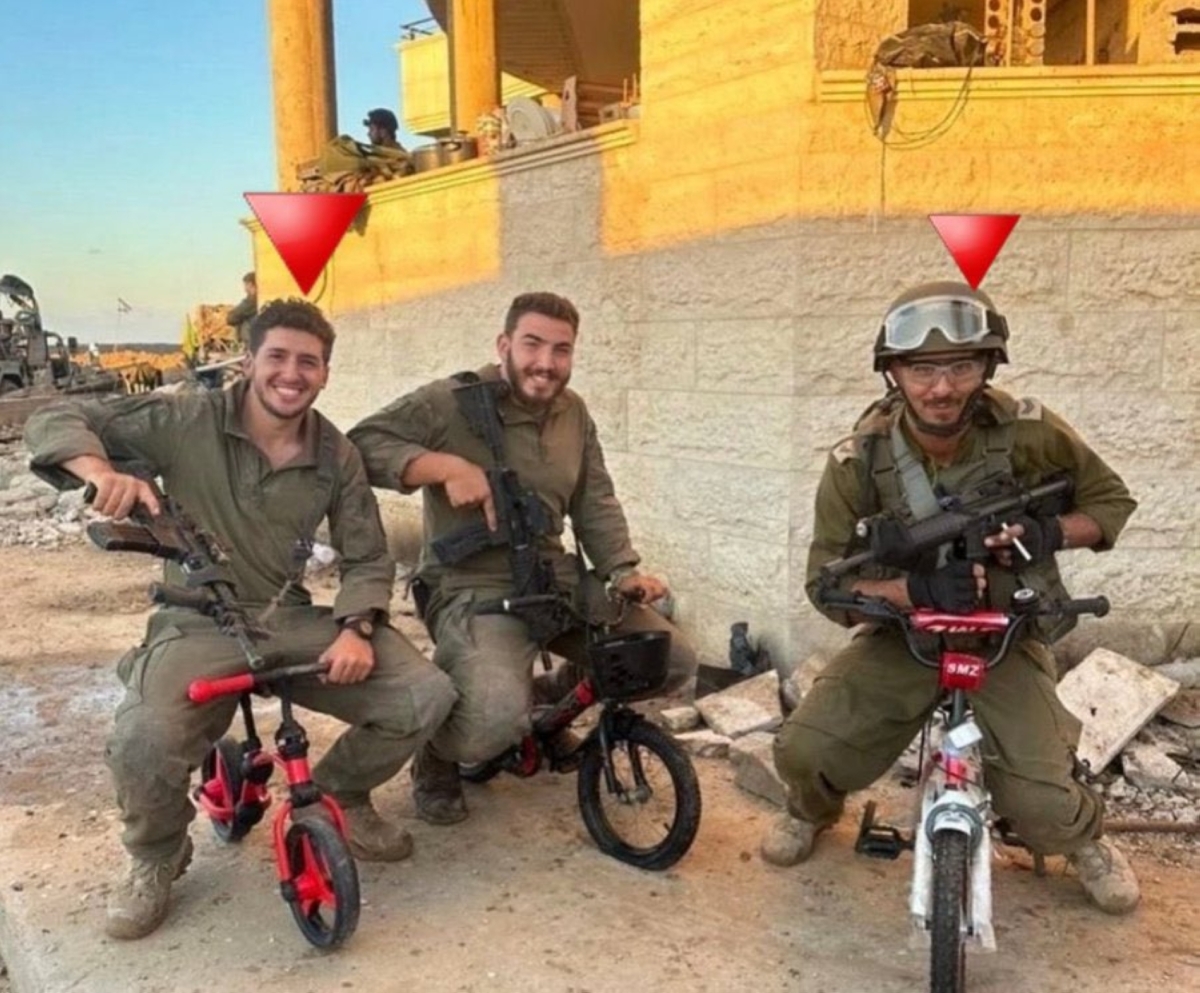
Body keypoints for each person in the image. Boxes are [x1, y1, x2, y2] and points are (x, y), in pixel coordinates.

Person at [24, 298, 456, 940]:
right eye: (277, 356)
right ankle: (157, 855)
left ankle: (340, 794)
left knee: (426, 694)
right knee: (143, 738)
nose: (292, 373)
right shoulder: (184, 416)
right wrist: (99, 470)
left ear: (325, 373)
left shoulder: (335, 454)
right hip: (196, 620)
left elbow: (367, 555)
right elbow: (57, 414)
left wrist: (356, 626)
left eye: (308, 362)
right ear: (249, 359)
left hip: (288, 615)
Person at [762, 281, 1141, 916]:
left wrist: (1048, 532)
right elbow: (826, 584)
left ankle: (1082, 839)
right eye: (922, 369)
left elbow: (1110, 503)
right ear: (894, 373)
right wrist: (912, 589)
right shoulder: (859, 461)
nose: (942, 388)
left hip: (1005, 636)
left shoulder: (1031, 434)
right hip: (903, 637)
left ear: (987, 365)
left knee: (1046, 807)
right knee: (804, 751)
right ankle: (811, 810)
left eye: (961, 366)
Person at [348, 291, 698, 825]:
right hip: (473, 586)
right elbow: (362, 444)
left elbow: (595, 499)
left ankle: (547, 705)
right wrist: (441, 465)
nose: (546, 363)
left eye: (562, 350)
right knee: (489, 723)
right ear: (505, 344)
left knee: (669, 658)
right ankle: (437, 757)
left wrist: (622, 571)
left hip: (552, 577)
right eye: (533, 344)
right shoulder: (453, 401)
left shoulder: (573, 413)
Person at [225, 271, 258, 347]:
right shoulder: (259, 299)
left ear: (250, 284)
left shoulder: (252, 301)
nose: (245, 289)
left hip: (253, 342)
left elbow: (231, 318)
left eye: (245, 285)